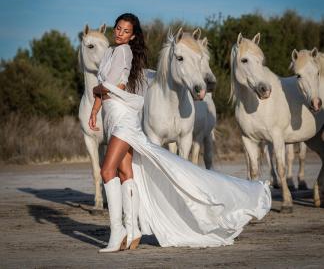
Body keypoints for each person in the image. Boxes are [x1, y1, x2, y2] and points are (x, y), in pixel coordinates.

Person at [89, 13, 271, 253]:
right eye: (118, 29)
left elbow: (113, 86)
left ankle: (117, 230)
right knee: (125, 172)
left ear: (132, 36)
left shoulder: (124, 52)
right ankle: (132, 229)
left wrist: (98, 89)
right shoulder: (111, 52)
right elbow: (104, 89)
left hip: (123, 118)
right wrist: (94, 110)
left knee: (106, 170)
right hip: (112, 117)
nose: (119, 33)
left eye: (125, 31)